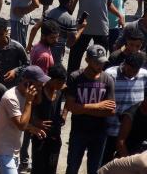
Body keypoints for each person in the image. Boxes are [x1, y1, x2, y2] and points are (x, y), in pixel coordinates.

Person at [65, 45, 117, 174]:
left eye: (102, 62)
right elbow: (71, 107)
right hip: (79, 131)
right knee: (72, 167)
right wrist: (97, 106)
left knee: (94, 169)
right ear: (87, 60)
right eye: (97, 62)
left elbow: (110, 110)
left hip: (99, 133)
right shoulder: (75, 77)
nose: (100, 66)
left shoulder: (108, 79)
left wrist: (82, 108)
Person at [0, 65, 47, 174]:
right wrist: (29, 102)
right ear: (28, 82)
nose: (41, 87)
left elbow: (37, 103)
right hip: (2, 150)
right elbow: (21, 125)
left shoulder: (26, 94)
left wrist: (33, 128)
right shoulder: (11, 98)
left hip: (13, 149)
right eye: (39, 84)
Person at [69, 0, 121, 73]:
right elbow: (74, 1)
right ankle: (71, 84)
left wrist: (119, 15)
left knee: (100, 61)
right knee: (74, 60)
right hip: (83, 28)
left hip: (101, 29)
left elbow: (108, 4)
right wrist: (68, 21)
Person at [104, 51, 147, 165]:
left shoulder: (144, 75)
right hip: (109, 129)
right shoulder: (110, 74)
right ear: (124, 64)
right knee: (104, 163)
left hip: (130, 134)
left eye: (135, 71)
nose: (131, 73)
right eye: (129, 70)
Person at [30, 64, 68, 174]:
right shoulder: (39, 90)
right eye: (59, 82)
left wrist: (64, 114)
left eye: (62, 82)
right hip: (40, 137)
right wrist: (35, 121)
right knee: (38, 169)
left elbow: (71, 97)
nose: (61, 85)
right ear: (51, 79)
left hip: (55, 137)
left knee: (51, 169)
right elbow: (27, 110)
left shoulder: (60, 90)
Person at [30, 0, 81, 66]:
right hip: (56, 56)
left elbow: (35, 28)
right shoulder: (70, 20)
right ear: (70, 1)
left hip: (42, 50)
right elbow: (70, 42)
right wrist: (81, 29)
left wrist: (29, 45)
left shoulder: (47, 13)